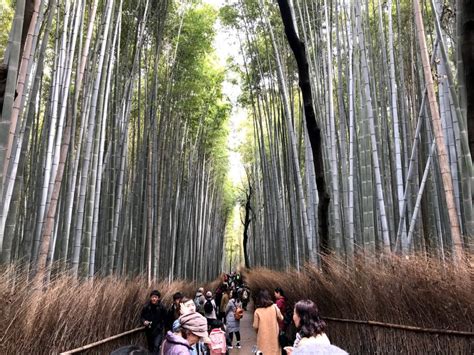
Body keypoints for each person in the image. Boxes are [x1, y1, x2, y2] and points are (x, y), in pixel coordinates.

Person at [253, 289, 283, 354]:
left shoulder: (257, 311)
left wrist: (259, 332)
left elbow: (255, 326)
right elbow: (281, 318)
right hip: (274, 337)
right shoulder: (274, 307)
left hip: (262, 339)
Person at [140, 290, 167, 354]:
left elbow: (165, 318)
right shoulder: (146, 307)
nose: (154, 299)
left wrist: (161, 326)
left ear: (158, 298)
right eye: (152, 297)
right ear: (150, 298)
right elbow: (141, 317)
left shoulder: (162, 307)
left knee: (156, 345)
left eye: (155, 297)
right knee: (150, 347)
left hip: (158, 331)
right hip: (149, 330)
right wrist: (144, 321)